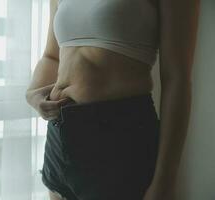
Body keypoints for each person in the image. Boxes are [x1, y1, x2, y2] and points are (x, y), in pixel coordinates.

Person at [25, 0, 200, 199]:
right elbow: (51, 56)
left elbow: (176, 79)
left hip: (118, 138)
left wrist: (166, 178)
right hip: (59, 135)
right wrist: (32, 93)